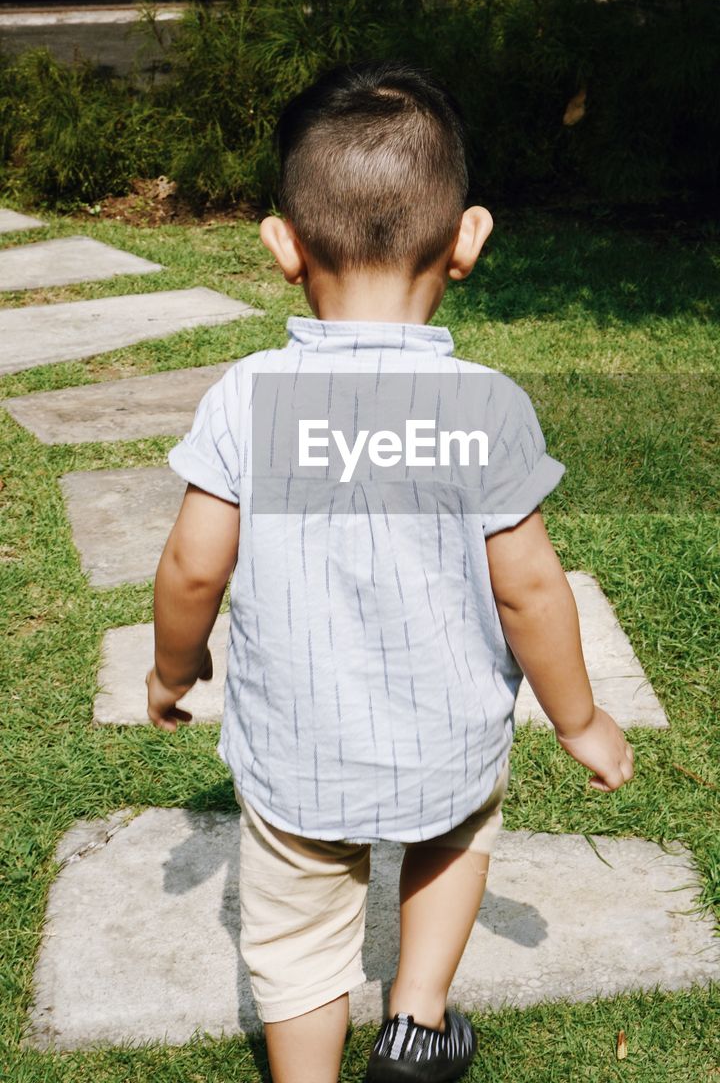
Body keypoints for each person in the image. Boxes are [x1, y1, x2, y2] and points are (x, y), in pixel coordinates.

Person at [146, 61, 635, 1083]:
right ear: (468, 240)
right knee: (453, 841)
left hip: (298, 750)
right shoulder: (485, 406)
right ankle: (415, 1019)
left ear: (281, 246)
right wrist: (580, 716)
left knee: (295, 936)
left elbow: (194, 563)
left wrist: (172, 668)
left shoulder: (250, 400)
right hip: (448, 731)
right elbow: (529, 586)